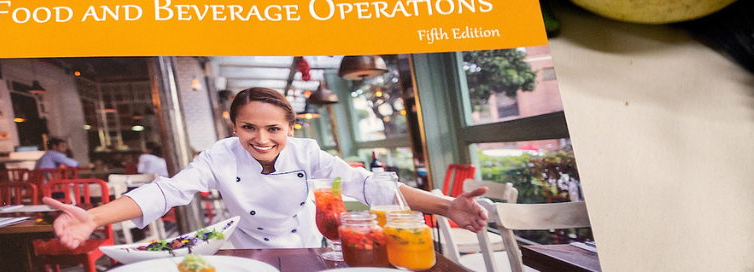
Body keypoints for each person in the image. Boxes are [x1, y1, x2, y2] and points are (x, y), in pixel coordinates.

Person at [44, 88, 489, 249]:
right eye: (248, 128)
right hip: (247, 252)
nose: (261, 138)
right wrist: (96, 217)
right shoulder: (220, 155)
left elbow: (369, 186)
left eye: (274, 128)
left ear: (291, 127)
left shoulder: (308, 152)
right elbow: (167, 193)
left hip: (307, 247)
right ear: (233, 126)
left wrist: (448, 206)